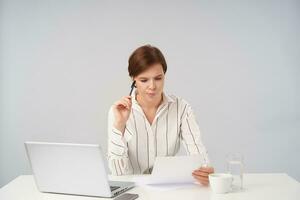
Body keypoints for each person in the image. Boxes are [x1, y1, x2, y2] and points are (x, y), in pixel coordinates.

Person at [107, 45, 214, 186]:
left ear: (164, 75)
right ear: (133, 79)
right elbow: (118, 174)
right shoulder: (118, 111)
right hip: (134, 191)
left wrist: (204, 170)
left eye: (158, 78)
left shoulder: (181, 109)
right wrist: (119, 126)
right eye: (144, 80)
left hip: (168, 189)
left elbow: (199, 156)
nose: (152, 86)